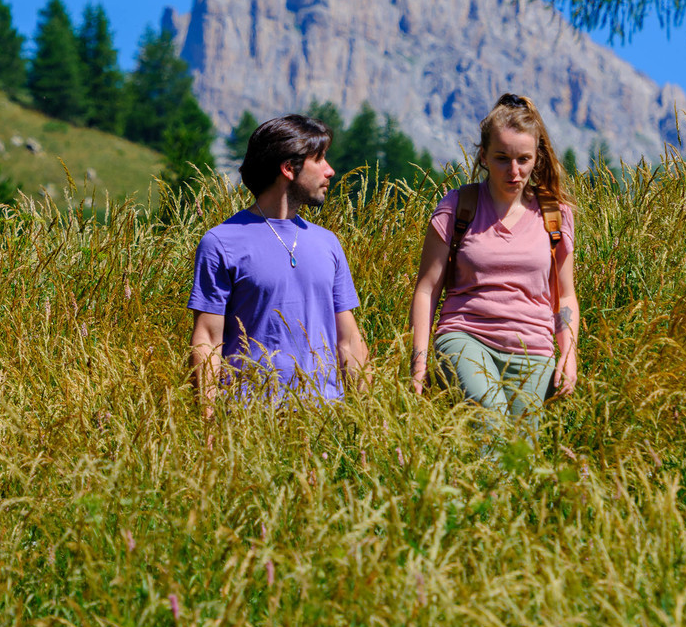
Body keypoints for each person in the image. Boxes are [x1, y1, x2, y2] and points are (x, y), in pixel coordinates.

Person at [408, 92, 579, 448]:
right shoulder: (458, 206)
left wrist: (569, 354)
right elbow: (426, 290)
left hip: (534, 349)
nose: (513, 171)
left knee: (520, 455)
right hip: (464, 336)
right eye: (502, 159)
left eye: (523, 159)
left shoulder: (555, 215)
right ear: (483, 156)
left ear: (537, 159)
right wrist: (420, 361)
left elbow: (565, 296)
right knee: (491, 419)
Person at [188, 113, 369, 407]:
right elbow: (207, 339)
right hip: (248, 422)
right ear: (288, 168)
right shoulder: (221, 242)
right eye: (320, 159)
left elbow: (348, 341)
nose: (330, 170)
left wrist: (367, 422)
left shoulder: (328, 243)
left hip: (324, 420)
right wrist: (208, 422)